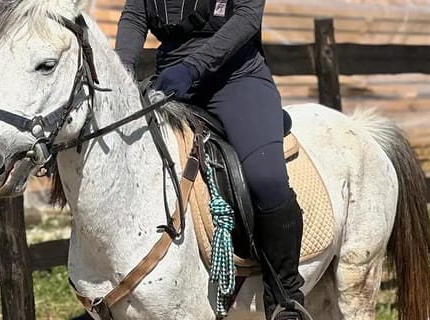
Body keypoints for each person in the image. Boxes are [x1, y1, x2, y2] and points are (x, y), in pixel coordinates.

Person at [114, 0, 307, 318]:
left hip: (235, 79)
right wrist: (122, 69)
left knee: (266, 179)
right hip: (170, 80)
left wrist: (193, 67)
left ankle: (286, 298)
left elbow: (247, 16)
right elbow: (135, 15)